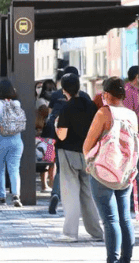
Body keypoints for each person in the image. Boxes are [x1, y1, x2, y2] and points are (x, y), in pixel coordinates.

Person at [84, 77, 137, 263]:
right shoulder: (132, 115)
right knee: (124, 218)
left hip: (103, 173)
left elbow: (87, 145)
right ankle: (126, 259)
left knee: (110, 220)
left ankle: (112, 260)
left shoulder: (103, 113)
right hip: (125, 173)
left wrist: (89, 162)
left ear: (106, 94)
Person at [53, 73, 104, 242]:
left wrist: (55, 125)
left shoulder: (66, 108)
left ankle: (70, 233)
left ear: (64, 90)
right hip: (88, 154)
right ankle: (96, 232)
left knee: (70, 193)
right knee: (88, 194)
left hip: (68, 153)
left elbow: (62, 135)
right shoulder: (90, 105)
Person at [47, 66, 90, 214]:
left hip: (60, 139)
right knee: (84, 175)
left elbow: (50, 114)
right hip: (82, 142)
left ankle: (56, 194)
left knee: (61, 169)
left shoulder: (55, 95)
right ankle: (82, 204)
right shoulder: (85, 97)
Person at [0, 79, 24, 207]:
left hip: (0, 139)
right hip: (16, 139)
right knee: (14, 169)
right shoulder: (16, 103)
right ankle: (16, 196)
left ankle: (2, 197)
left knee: (0, 170)